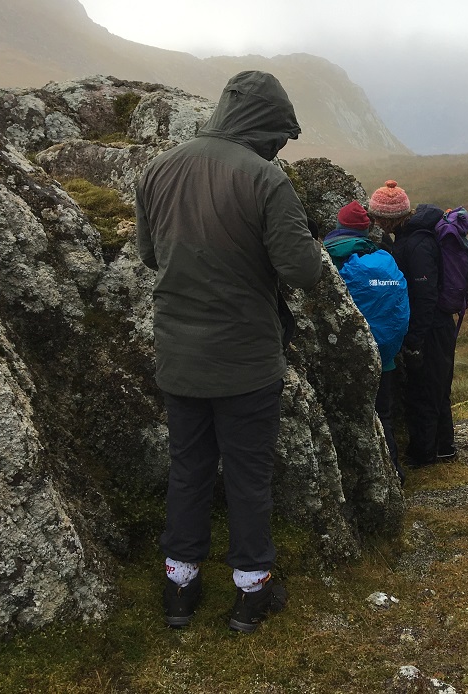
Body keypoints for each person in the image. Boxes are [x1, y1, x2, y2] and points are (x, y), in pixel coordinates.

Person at [135, 70, 323, 632]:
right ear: (265, 125)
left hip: (178, 357)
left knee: (188, 469)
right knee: (248, 474)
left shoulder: (158, 169)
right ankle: (250, 593)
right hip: (247, 360)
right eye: (278, 136)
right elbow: (303, 271)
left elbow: (149, 256)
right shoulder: (266, 180)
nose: (278, 147)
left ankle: (180, 589)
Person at [323, 200, 410, 483]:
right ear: (365, 230)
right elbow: (398, 307)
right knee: (383, 415)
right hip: (385, 358)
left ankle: (358, 483)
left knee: (348, 420)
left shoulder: (331, 259)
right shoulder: (384, 259)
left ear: (339, 226)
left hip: (348, 359)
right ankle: (394, 475)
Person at [393, 203, 458, 468]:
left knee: (426, 389)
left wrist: (416, 339)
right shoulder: (415, 237)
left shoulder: (417, 244)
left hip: (432, 327)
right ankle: (444, 448)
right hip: (439, 325)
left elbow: (426, 295)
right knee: (438, 387)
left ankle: (423, 454)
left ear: (391, 218)